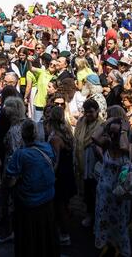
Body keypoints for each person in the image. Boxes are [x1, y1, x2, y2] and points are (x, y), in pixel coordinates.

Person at [5, 119, 60, 257]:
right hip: (47, 199)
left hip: (28, 203)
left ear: (22, 135)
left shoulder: (20, 154)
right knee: (45, 235)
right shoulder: (46, 147)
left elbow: (10, 179)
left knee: (28, 238)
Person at [92, 114, 132, 256]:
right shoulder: (107, 144)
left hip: (120, 194)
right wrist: (108, 121)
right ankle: (106, 245)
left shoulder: (131, 147)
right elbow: (94, 137)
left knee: (120, 223)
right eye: (111, 133)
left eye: (115, 133)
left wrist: (123, 130)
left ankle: (119, 248)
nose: (112, 135)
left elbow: (123, 145)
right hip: (105, 191)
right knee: (103, 219)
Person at [43, 105, 77, 245]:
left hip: (60, 175)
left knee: (59, 205)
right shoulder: (67, 132)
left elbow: (56, 160)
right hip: (67, 171)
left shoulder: (55, 137)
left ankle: (64, 234)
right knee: (64, 204)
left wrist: (51, 176)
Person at [73, 98, 102, 228]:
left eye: (91, 112)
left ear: (97, 111)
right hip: (81, 161)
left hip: (93, 163)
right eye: (86, 112)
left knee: (93, 191)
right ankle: (89, 214)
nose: (88, 115)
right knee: (86, 191)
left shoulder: (102, 125)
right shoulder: (81, 122)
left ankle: (94, 216)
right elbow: (77, 139)